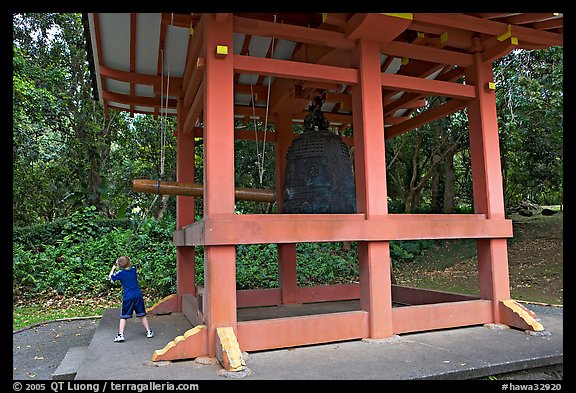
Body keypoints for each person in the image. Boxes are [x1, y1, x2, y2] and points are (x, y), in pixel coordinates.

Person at [108, 256, 154, 342]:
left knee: (124, 316)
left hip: (128, 296)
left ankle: (120, 335)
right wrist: (121, 262)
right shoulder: (133, 270)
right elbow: (129, 263)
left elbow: (111, 278)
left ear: (119, 265)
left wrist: (113, 268)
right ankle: (149, 332)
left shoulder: (120, 274)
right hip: (138, 295)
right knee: (142, 314)